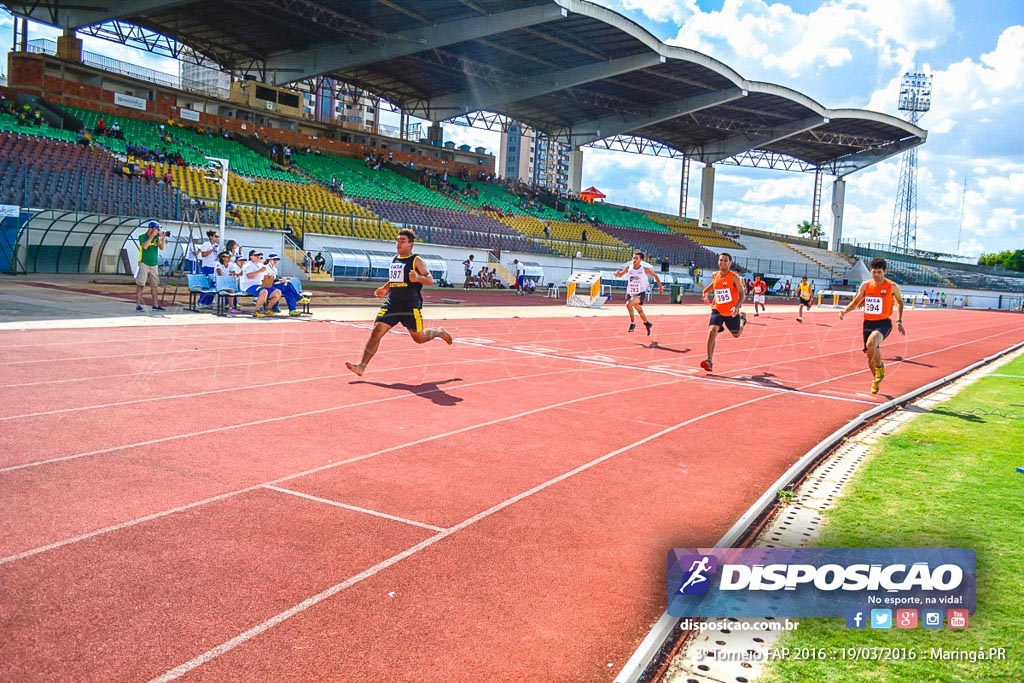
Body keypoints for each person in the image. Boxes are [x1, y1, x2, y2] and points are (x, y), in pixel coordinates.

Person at [345, 228, 453, 377]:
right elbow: (396, 278)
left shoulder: (416, 260)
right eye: (397, 240)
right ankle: (361, 366)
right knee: (376, 331)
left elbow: (430, 279)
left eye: (402, 241)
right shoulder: (395, 259)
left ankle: (439, 332)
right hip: (392, 304)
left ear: (411, 244)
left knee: (419, 338)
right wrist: (384, 288)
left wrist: (418, 278)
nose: (398, 243)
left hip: (410, 306)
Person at [839, 257, 906, 394]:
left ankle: (879, 370)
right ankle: (877, 375)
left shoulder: (892, 286)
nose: (876, 275)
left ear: (885, 271)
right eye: (874, 272)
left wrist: (899, 321)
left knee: (871, 344)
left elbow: (899, 302)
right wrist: (845, 311)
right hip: (868, 323)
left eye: (879, 272)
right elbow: (857, 301)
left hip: (883, 323)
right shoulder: (866, 285)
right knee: (871, 354)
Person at [699, 252, 747, 372]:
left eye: (725, 260)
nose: (723, 262)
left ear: (730, 263)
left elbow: (742, 294)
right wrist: (705, 291)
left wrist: (737, 306)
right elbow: (714, 285)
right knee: (712, 331)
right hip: (717, 309)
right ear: (718, 261)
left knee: (736, 334)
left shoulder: (734, 277)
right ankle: (709, 360)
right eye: (721, 260)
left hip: (731, 311)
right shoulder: (715, 275)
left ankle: (742, 320)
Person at [614, 251, 663, 335]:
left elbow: (655, 275)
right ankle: (647, 323)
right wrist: (617, 274)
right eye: (633, 258)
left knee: (628, 304)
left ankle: (633, 323)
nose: (634, 260)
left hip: (640, 292)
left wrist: (660, 286)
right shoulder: (628, 267)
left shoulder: (644, 269)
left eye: (636, 258)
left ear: (641, 260)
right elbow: (620, 275)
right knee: (639, 311)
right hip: (631, 292)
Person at [135, 221, 167, 312]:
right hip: (144, 262)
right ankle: (138, 305)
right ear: (151, 228)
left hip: (154, 264)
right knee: (140, 284)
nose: (158, 231)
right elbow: (145, 246)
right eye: (157, 229)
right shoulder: (142, 236)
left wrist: (162, 238)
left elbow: (161, 247)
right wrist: (152, 236)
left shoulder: (157, 238)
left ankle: (155, 305)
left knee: (154, 285)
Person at [240, 250, 281, 317]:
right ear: (251, 257)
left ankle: (268, 309)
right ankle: (257, 311)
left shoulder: (261, 265)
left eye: (259, 255)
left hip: (261, 284)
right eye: (256, 255)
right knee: (263, 291)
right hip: (250, 285)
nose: (258, 257)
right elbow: (249, 276)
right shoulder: (248, 265)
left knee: (277, 292)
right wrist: (259, 271)